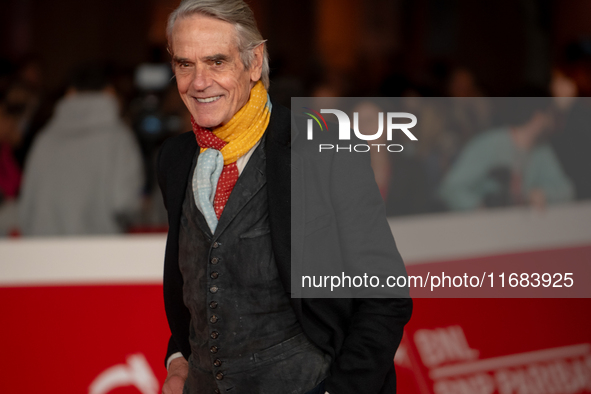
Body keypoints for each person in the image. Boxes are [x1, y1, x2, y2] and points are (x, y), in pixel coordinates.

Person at [158, 1, 412, 393]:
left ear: (255, 62)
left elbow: (385, 296)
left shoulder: (324, 149)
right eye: (184, 64)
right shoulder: (175, 160)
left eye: (217, 62)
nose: (198, 82)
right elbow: (204, 284)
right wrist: (179, 361)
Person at [18, 65, 144, 235]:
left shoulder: (44, 139)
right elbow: (125, 203)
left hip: (46, 253)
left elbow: (27, 207)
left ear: (70, 93)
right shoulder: (119, 138)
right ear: (109, 92)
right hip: (99, 253)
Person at [439, 95, 574, 211]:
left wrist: (544, 195)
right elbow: (451, 188)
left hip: (521, 228)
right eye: (549, 115)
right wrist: (477, 207)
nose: (553, 121)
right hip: (480, 230)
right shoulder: (488, 144)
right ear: (538, 117)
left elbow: (567, 190)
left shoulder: (541, 150)